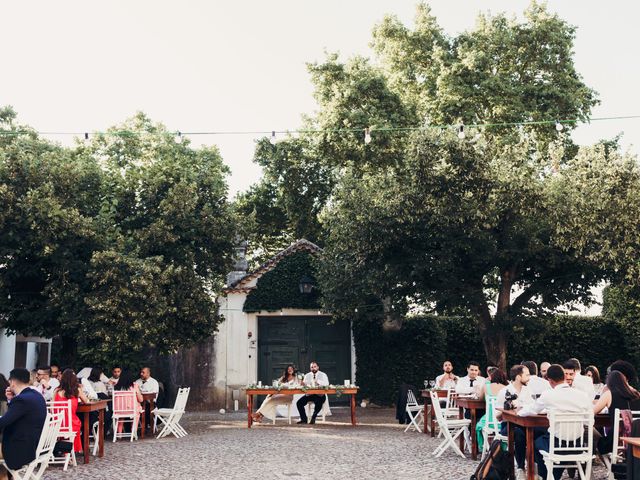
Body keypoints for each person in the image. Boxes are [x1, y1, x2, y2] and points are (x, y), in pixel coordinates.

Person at [519, 364, 592, 480]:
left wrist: (519, 411)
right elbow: (590, 422)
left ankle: (546, 476)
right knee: (546, 441)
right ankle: (553, 475)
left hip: (556, 445)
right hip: (578, 446)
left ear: (550, 380)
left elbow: (531, 409)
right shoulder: (582, 395)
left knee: (537, 443)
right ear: (564, 376)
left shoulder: (549, 394)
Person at [0, 368, 47, 474]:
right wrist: (10, 400)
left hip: (19, 449)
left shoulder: (21, 400)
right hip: (32, 445)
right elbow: (14, 417)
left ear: (12, 382)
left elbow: (3, 423)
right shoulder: (36, 396)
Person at [496, 365, 535, 479]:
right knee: (518, 434)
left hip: (526, 424)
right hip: (508, 426)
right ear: (518, 377)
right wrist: (509, 409)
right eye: (527, 375)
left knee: (539, 431)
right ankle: (520, 468)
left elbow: (532, 406)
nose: (529, 377)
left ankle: (536, 468)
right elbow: (498, 416)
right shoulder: (505, 391)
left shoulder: (528, 390)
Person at [593, 370, 640, 454]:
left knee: (590, 430)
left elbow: (592, 412)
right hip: (636, 439)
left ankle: (608, 463)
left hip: (616, 440)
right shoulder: (636, 394)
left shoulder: (609, 394)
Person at [53, 369, 89, 453]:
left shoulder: (56, 391)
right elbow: (86, 401)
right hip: (71, 424)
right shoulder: (76, 391)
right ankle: (69, 452)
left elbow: (52, 408)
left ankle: (64, 450)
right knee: (77, 422)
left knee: (70, 422)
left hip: (57, 424)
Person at [475, 368, 508, 452]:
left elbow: (480, 398)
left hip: (490, 420)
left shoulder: (487, 386)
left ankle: (483, 447)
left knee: (478, 425)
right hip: (503, 421)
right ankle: (502, 448)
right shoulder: (506, 388)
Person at [113, 370, 143, 434]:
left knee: (120, 417)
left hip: (119, 411)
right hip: (132, 410)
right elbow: (140, 400)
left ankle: (119, 433)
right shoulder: (134, 386)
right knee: (138, 411)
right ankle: (133, 432)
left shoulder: (116, 386)